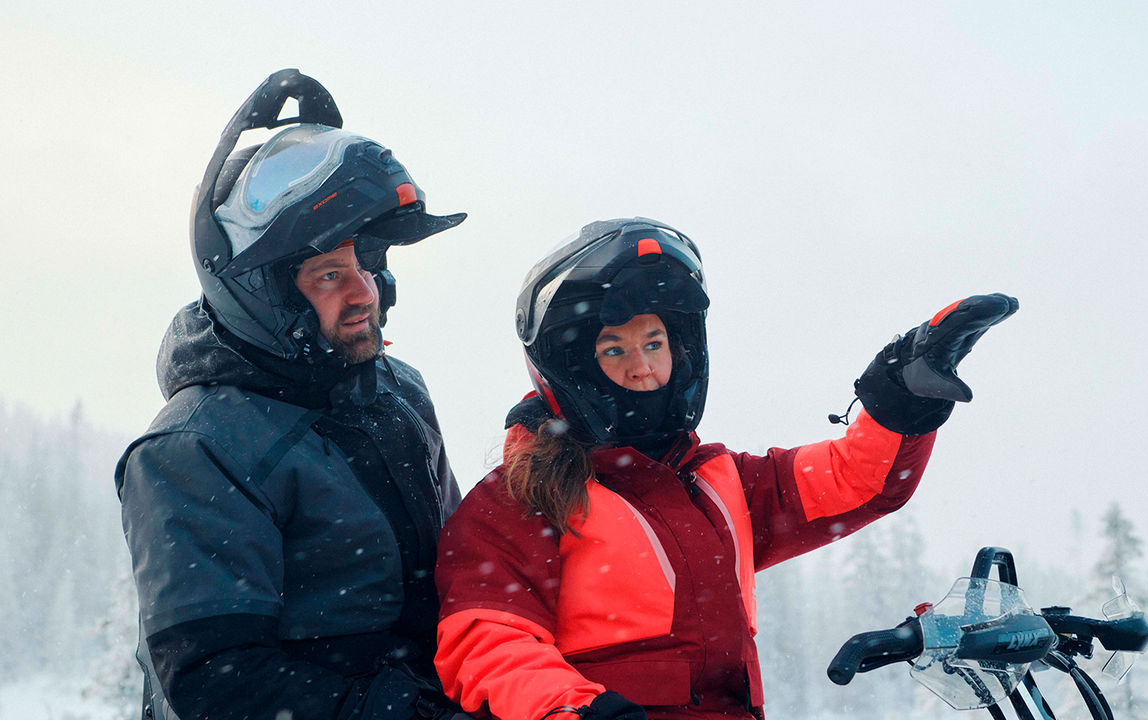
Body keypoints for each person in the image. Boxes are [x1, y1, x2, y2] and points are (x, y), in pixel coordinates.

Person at [433, 218, 1017, 720]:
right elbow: (486, 640)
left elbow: (853, 480)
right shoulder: (523, 496)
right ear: (574, 368)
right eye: (614, 349)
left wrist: (903, 394)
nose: (643, 368)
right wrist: (571, 707)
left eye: (654, 342)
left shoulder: (716, 482)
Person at [116, 69, 467, 720]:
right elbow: (220, 680)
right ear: (265, 294)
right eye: (330, 273)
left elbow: (464, 572)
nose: (363, 291)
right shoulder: (195, 447)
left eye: (366, 263)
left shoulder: (398, 393)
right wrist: (394, 710)